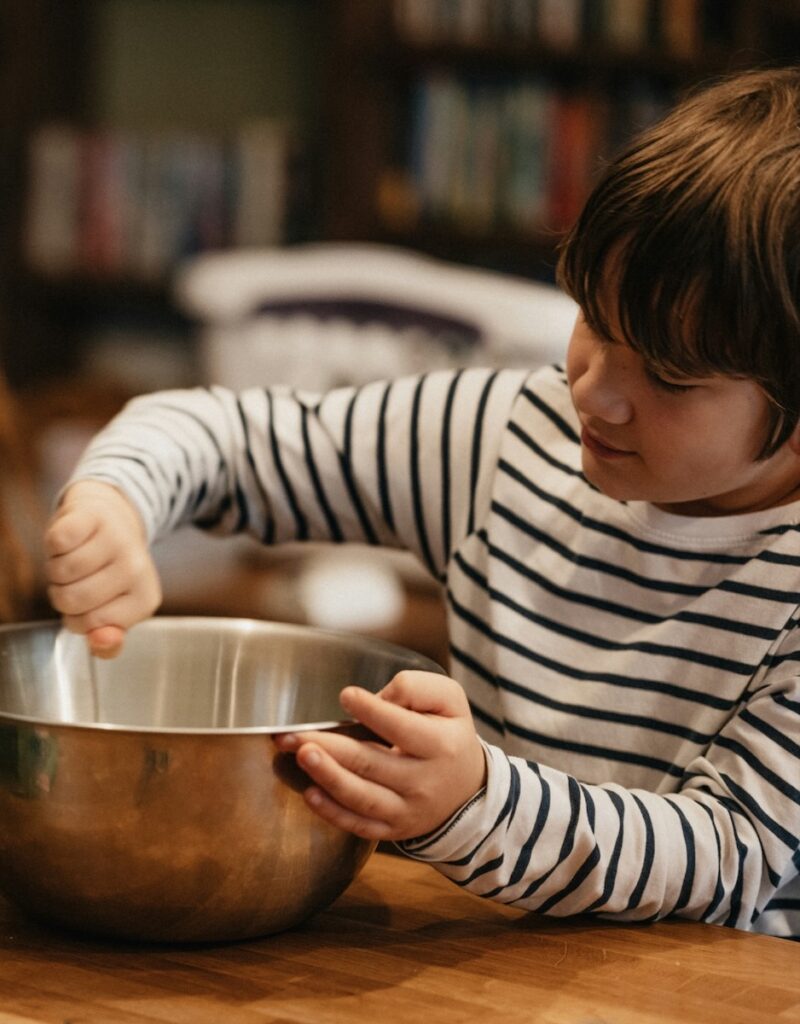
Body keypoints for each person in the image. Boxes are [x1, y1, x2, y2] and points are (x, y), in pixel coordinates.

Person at [44, 67, 800, 940]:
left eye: (669, 376)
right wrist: (116, 502)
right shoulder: (504, 437)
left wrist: (477, 801)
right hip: (489, 969)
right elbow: (222, 436)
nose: (596, 393)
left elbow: (730, 856)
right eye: (596, 318)